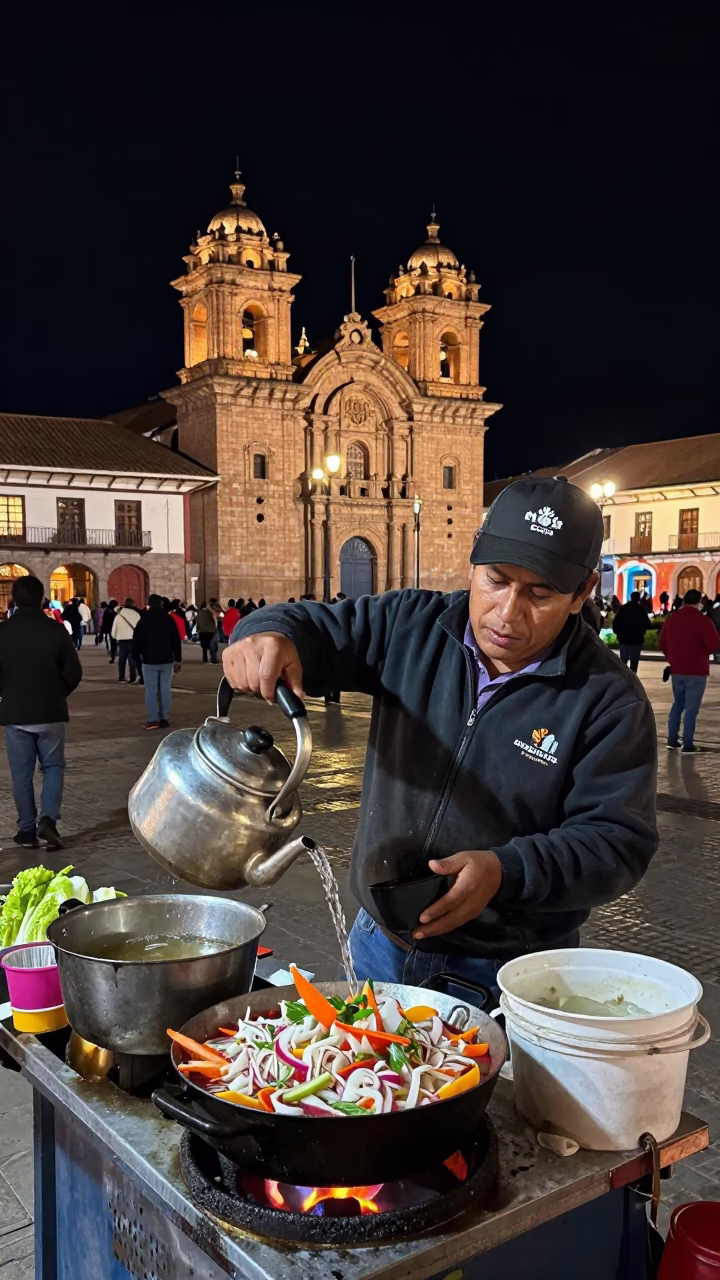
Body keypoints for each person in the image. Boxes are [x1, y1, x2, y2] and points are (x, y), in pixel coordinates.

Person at [222, 476, 658, 992]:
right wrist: (265, 633)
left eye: (540, 593)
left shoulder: (607, 698)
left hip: (509, 970)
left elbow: (617, 842)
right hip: (377, 943)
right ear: (473, 559)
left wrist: (506, 870)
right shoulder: (409, 624)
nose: (508, 612)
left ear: (582, 591)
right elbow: (312, 626)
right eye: (495, 579)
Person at [0, 575, 82, 848]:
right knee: (53, 767)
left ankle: (25, 830)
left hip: (16, 714)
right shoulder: (56, 630)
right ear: (41, 598)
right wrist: (57, 693)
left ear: (14, 599)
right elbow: (74, 672)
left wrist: (8, 693)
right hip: (50, 712)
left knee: (21, 775)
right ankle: (48, 821)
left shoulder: (3, 631)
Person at [659, 589, 719, 753]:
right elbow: (713, 644)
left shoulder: (672, 619)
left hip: (677, 670)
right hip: (697, 670)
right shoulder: (703, 621)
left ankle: (672, 739)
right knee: (692, 708)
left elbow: (662, 642)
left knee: (677, 704)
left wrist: (672, 657)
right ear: (699, 602)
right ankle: (688, 743)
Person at [132, 594, 182, 729]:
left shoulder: (144, 620)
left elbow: (136, 641)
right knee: (165, 689)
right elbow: (176, 640)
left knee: (151, 690)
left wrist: (136, 658)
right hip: (167, 660)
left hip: (149, 660)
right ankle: (164, 718)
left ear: (149, 604)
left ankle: (153, 719)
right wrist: (178, 658)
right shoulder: (169, 619)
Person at [612, 590, 648, 673]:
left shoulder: (624, 608)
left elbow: (616, 622)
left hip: (624, 639)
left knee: (623, 662)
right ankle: (633, 680)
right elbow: (647, 624)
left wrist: (617, 631)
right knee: (634, 664)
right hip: (636, 640)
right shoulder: (640, 610)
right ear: (638, 598)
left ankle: (624, 679)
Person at [111, 597, 142, 683]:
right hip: (133, 640)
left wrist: (115, 636)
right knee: (132, 659)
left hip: (122, 640)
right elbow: (140, 628)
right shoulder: (136, 615)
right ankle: (132, 678)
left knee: (122, 659)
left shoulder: (118, 616)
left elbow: (114, 630)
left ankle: (121, 677)